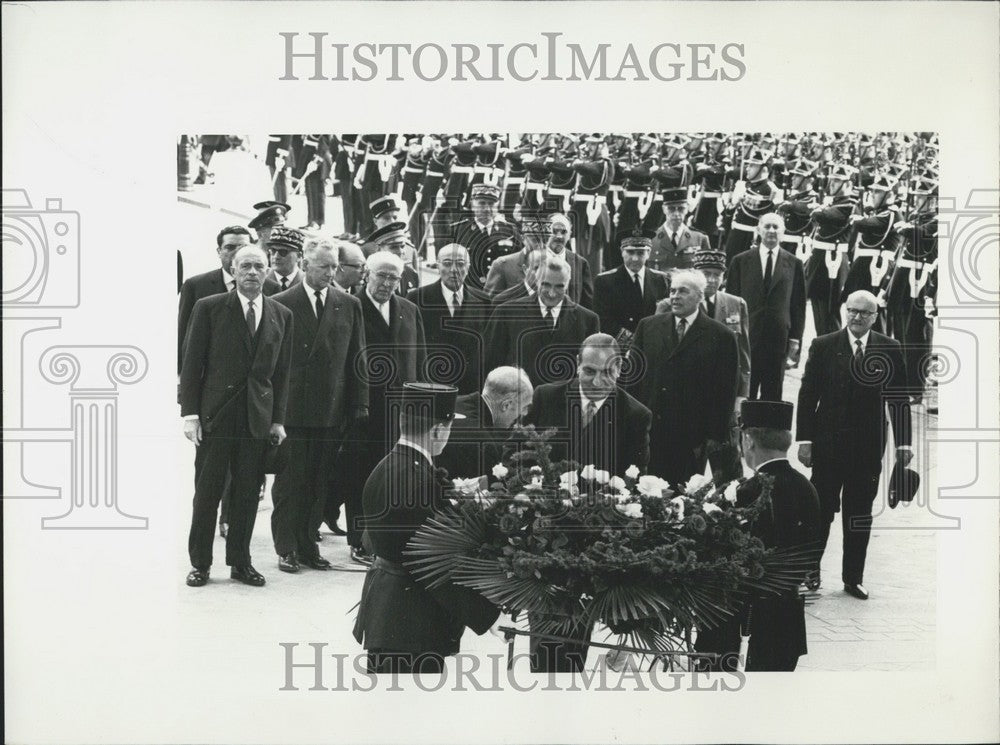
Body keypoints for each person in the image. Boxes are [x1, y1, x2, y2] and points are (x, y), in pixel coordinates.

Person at [353, 383, 500, 674]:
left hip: (388, 611)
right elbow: (433, 565)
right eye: (448, 428)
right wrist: (488, 615)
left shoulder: (387, 466)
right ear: (436, 431)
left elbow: (373, 540)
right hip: (411, 622)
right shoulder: (417, 478)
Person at [180, 245, 293, 588]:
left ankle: (240, 562)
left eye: (259, 266)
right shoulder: (209, 308)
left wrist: (277, 420)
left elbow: (281, 374)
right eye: (245, 266)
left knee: (247, 494)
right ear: (232, 267)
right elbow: (192, 363)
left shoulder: (281, 314)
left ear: (267, 270)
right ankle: (200, 563)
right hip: (216, 418)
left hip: (255, 421)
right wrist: (191, 414)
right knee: (207, 493)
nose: (252, 273)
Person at [796, 290, 912, 599]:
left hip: (868, 448)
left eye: (864, 313)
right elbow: (807, 395)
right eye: (852, 311)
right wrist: (804, 440)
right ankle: (810, 571)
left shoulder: (889, 348)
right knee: (820, 511)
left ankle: (853, 578)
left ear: (875, 317)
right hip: (827, 445)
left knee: (858, 514)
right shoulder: (823, 345)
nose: (857, 317)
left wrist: (904, 445)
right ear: (845, 312)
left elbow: (899, 399)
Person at [694, 400, 821, 672]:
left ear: (748, 440)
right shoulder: (807, 487)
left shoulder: (747, 491)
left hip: (739, 622)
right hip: (787, 623)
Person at [270, 238, 368, 573]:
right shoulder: (281, 302)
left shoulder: (348, 304)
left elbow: (357, 358)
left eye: (334, 267)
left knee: (318, 481)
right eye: (323, 266)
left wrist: (359, 404)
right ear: (306, 263)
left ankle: (308, 544)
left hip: (330, 410)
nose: (330, 273)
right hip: (292, 411)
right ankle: (286, 547)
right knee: (289, 482)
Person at [337, 251, 426, 565]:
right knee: (361, 475)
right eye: (382, 276)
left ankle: (389, 539)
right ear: (366, 275)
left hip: (401, 411)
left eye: (394, 277)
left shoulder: (409, 310)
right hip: (364, 409)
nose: (387, 283)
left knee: (397, 477)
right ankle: (359, 541)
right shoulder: (351, 307)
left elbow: (420, 362)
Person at [629, 269, 739, 487]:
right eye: (672, 291)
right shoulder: (648, 326)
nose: (675, 296)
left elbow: (725, 392)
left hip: (691, 438)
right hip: (650, 431)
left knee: (682, 498)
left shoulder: (721, 336)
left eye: (683, 291)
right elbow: (631, 378)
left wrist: (711, 438)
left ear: (700, 295)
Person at [525, 333, 652, 476]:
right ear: (578, 363)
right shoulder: (545, 396)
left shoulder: (636, 416)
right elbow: (515, 453)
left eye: (606, 372)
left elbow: (633, 478)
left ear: (619, 368)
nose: (597, 382)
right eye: (590, 371)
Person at [725, 212, 806, 400]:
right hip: (747, 336)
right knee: (745, 391)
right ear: (758, 230)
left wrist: (795, 338)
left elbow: (798, 305)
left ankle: (768, 428)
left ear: (783, 233)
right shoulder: (740, 261)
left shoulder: (794, 264)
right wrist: (732, 333)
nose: (771, 230)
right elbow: (730, 301)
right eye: (767, 226)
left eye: (776, 227)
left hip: (778, 338)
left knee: (772, 394)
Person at [484, 256, 599, 387]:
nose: (552, 293)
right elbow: (489, 364)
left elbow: (589, 372)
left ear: (568, 284)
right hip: (518, 400)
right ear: (537, 282)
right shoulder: (506, 313)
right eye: (546, 285)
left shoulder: (588, 320)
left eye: (559, 287)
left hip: (564, 402)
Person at [406, 243, 491, 394]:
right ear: (438, 267)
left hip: (471, 389)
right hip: (432, 385)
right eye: (447, 264)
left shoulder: (483, 301)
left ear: (468, 267)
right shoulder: (417, 298)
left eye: (460, 264)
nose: (453, 270)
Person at [177, 225, 252, 375]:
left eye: (243, 247)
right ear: (219, 251)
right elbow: (184, 335)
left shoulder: (270, 287)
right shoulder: (195, 286)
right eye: (230, 247)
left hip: (252, 381)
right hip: (211, 379)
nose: (237, 253)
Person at [437, 366, 534, 479]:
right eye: (524, 407)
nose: (525, 413)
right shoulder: (485, 445)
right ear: (506, 405)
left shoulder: (452, 402)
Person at [593, 231, 669, 342]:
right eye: (630, 252)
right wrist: (633, 342)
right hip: (619, 347)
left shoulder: (662, 280)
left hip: (653, 342)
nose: (635, 258)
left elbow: (666, 317)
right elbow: (603, 319)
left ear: (649, 253)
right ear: (622, 252)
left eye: (640, 253)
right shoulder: (605, 281)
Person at [444, 184, 520, 290]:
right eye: (482, 203)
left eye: (491, 204)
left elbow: (518, 262)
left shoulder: (509, 231)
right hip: (468, 291)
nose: (487, 209)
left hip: (500, 292)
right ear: (472, 205)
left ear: (497, 206)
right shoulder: (457, 231)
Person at [648, 186, 710, 272]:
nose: (676, 213)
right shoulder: (650, 239)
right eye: (671, 209)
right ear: (664, 209)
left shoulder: (700, 239)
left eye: (681, 209)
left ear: (687, 209)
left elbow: (706, 271)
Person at [542, 213, 594, 308]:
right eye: (554, 231)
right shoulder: (534, 259)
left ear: (570, 234)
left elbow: (587, 304)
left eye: (564, 232)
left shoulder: (580, 263)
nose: (559, 236)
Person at [363, 221, 420, 296]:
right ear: (379, 249)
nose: (400, 251)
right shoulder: (369, 275)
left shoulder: (411, 274)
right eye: (394, 247)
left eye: (402, 246)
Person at [265, 226, 304, 292]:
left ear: (299, 256)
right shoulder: (262, 279)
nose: (276, 256)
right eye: (273, 251)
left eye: (283, 252)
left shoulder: (307, 282)